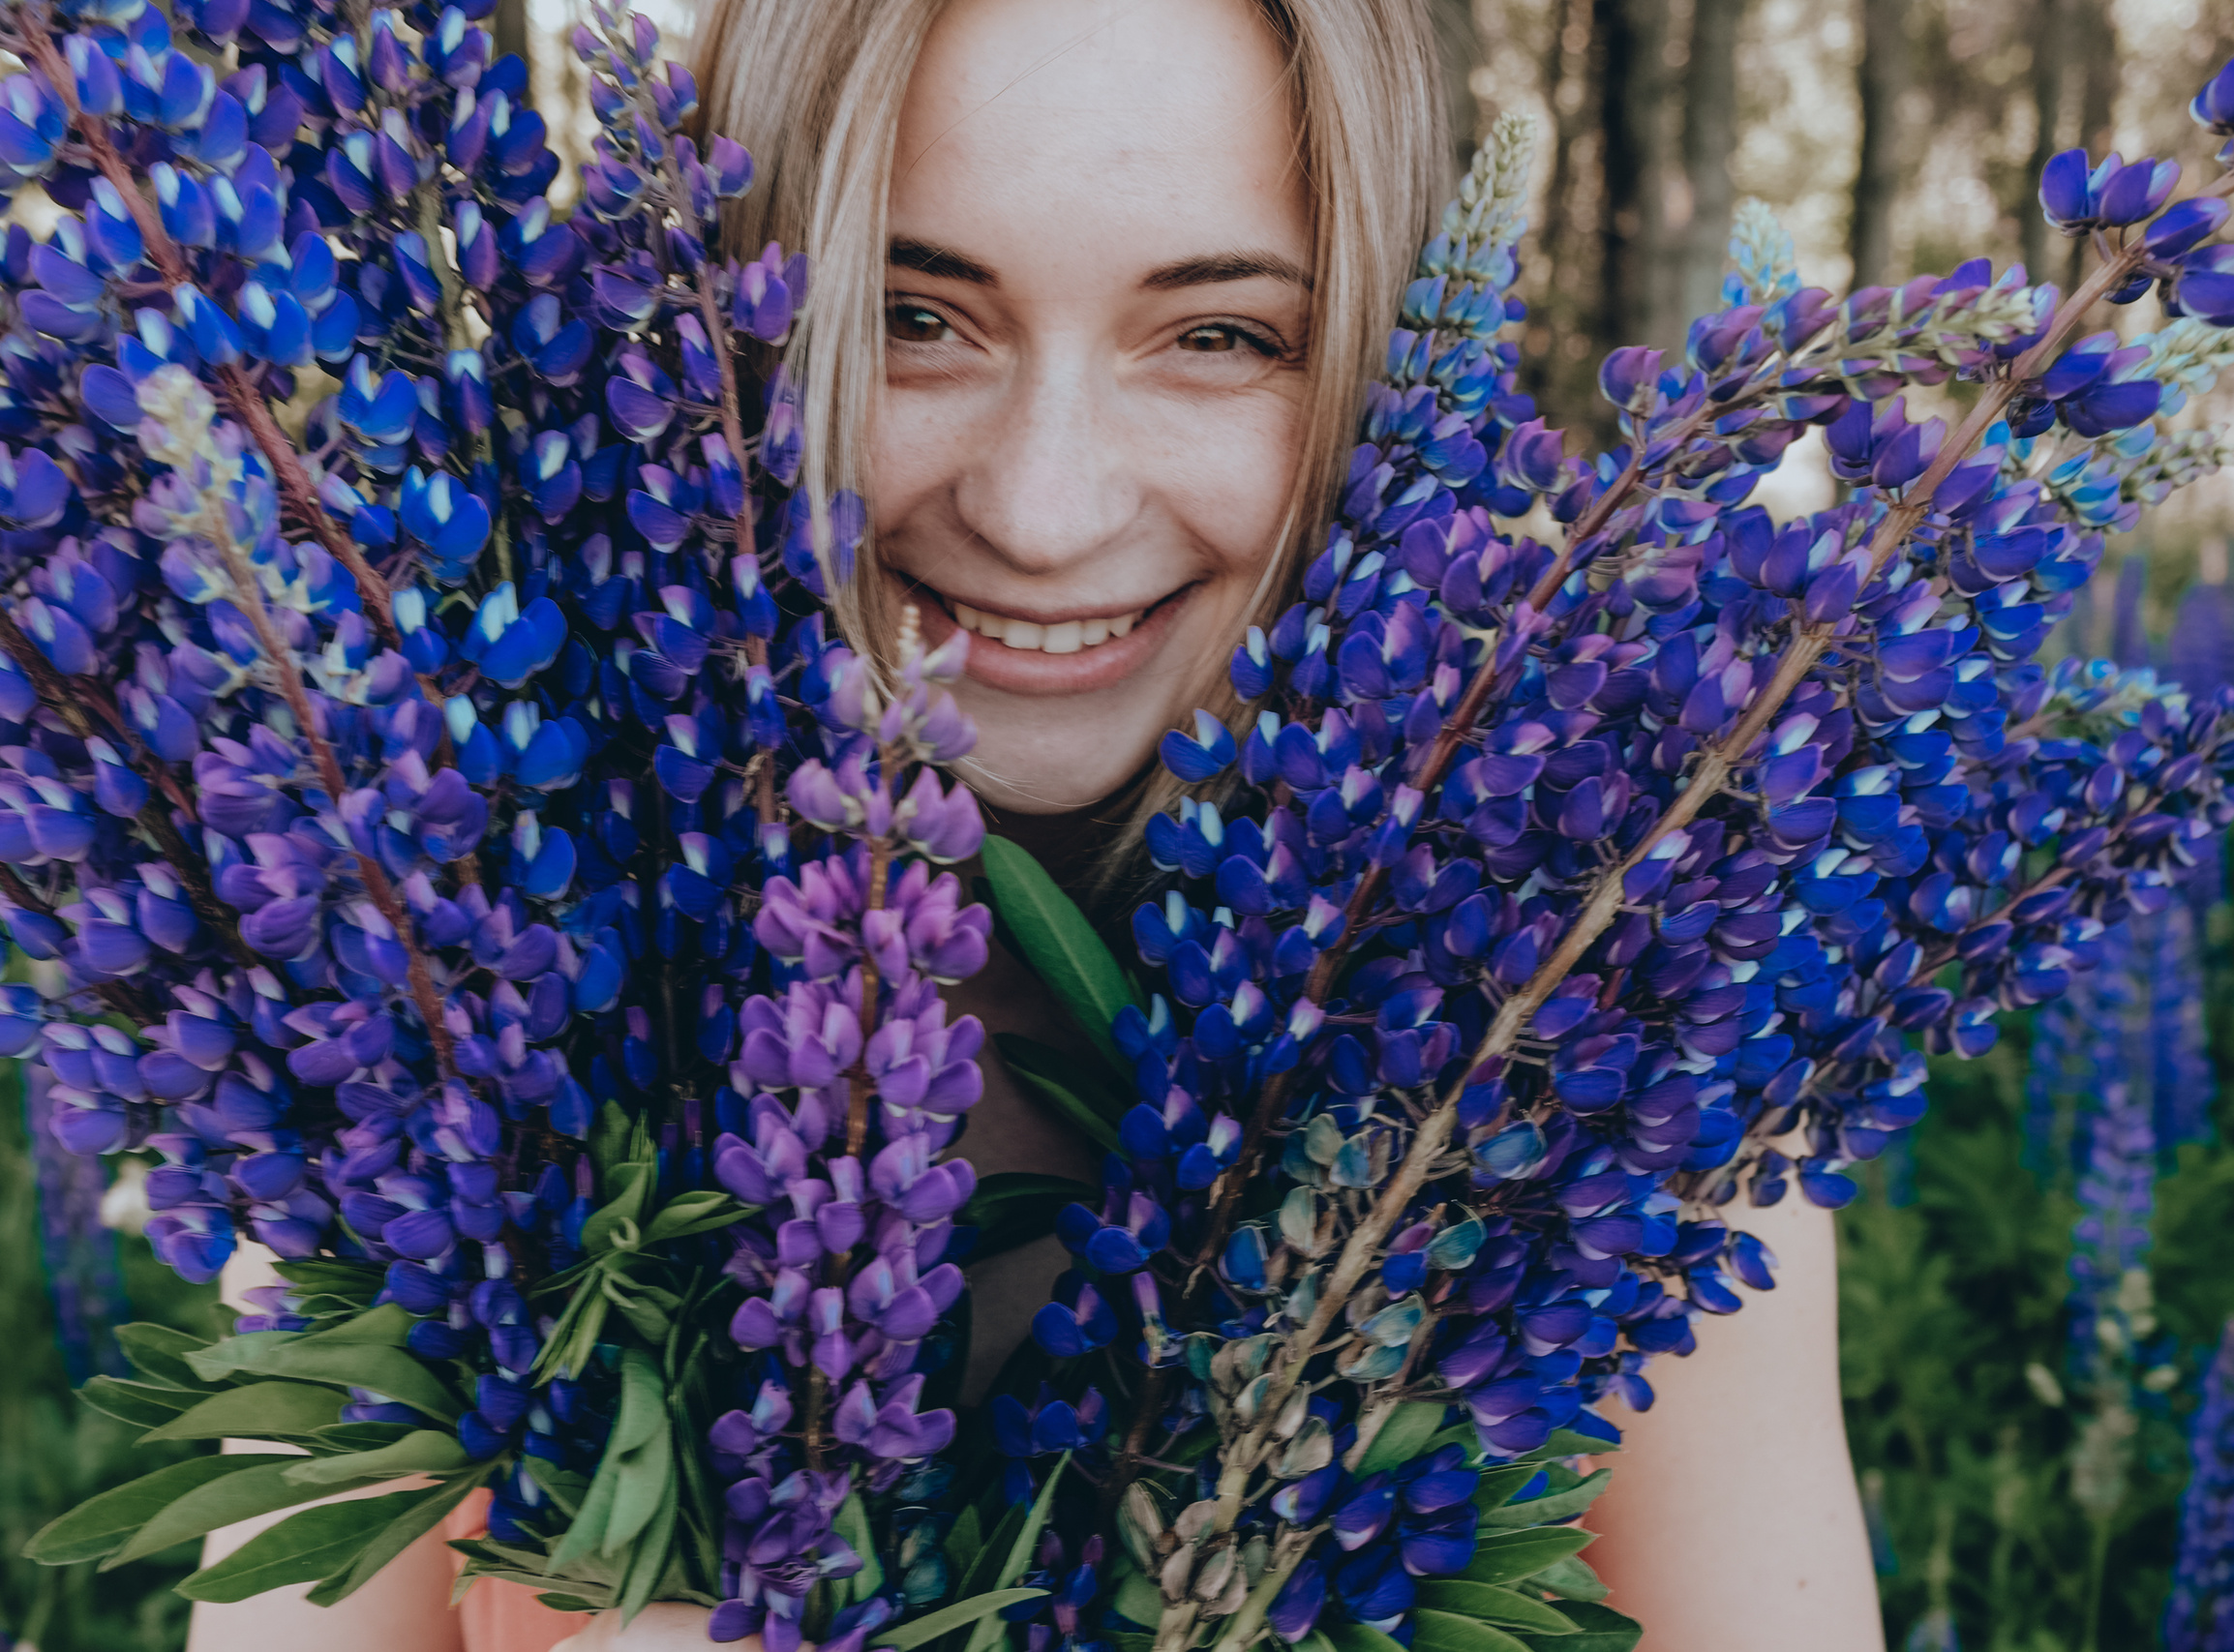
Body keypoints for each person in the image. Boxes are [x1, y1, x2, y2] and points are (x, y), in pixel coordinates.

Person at [190, 1, 1884, 1647]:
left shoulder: (1593, 1021)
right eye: (913, 314)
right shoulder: (446, 991)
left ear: (1374, 381)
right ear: (723, 325)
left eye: (1219, 335)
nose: (1043, 508)